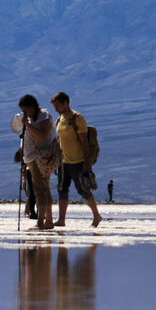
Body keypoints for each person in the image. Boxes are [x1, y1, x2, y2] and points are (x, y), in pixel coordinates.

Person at [51, 92, 101, 229]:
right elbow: (59, 141)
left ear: (66, 103)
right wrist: (56, 160)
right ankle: (61, 219)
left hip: (77, 161)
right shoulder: (59, 119)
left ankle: (96, 216)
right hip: (64, 161)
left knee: (82, 189)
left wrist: (87, 162)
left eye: (57, 106)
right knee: (62, 189)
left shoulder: (77, 118)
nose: (55, 109)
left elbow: (84, 141)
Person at [14, 95, 57, 230]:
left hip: (40, 157)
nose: (25, 113)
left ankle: (42, 221)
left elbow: (43, 135)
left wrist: (27, 124)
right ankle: (48, 220)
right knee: (42, 188)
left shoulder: (43, 115)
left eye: (26, 110)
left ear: (32, 106)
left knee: (40, 189)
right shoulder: (31, 118)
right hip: (31, 157)